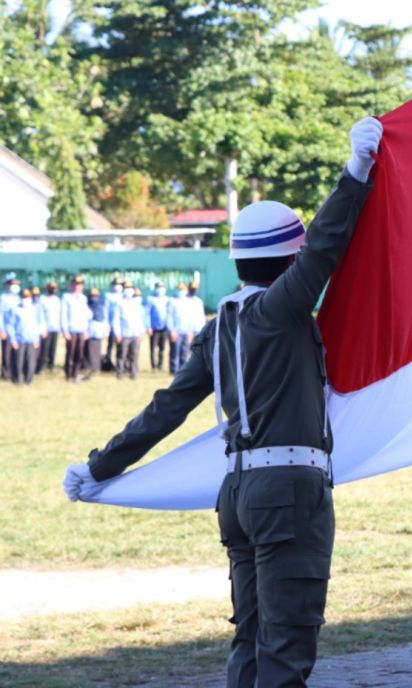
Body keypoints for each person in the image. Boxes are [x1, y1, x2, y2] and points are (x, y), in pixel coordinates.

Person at [63, 117, 383, 687]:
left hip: (237, 492)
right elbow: (327, 249)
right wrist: (355, 173)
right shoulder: (278, 311)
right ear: (289, 259)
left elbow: (166, 409)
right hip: (288, 492)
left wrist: (98, 466)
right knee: (286, 647)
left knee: (253, 642)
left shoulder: (220, 328)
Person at [6, 288, 42, 385]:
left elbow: (37, 324)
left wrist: (37, 338)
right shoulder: (15, 309)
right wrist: (13, 340)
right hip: (19, 340)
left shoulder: (34, 309)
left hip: (31, 339)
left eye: (28, 297)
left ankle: (28, 380)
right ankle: (17, 380)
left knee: (31, 361)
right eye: (24, 297)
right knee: (18, 361)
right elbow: (10, 325)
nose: (26, 299)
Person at [114, 285, 147, 380]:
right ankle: (120, 373)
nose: (129, 291)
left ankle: (133, 373)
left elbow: (140, 319)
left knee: (134, 354)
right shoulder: (119, 303)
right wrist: (118, 334)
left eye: (130, 289)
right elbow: (116, 320)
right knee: (121, 355)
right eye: (126, 289)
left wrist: (142, 331)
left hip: (135, 333)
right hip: (124, 333)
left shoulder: (136, 303)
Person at [61, 276, 91, 381]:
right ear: (71, 286)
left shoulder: (83, 298)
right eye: (75, 285)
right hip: (71, 329)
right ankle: (68, 374)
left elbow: (86, 315)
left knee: (80, 353)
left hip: (81, 328)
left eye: (79, 285)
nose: (77, 287)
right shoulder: (66, 297)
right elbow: (64, 315)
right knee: (70, 353)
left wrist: (87, 330)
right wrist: (65, 330)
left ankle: (76, 373)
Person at [37, 281, 62, 374]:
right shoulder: (43, 299)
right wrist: (42, 328)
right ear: (47, 288)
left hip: (55, 327)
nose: (53, 289)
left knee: (53, 348)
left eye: (55, 288)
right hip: (46, 328)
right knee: (44, 349)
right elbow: (41, 315)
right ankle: (42, 367)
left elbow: (59, 314)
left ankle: (51, 366)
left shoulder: (57, 300)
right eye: (51, 288)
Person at [84, 289, 109, 379]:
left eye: (95, 296)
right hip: (89, 330)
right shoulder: (86, 306)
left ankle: (96, 367)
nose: (93, 298)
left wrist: (105, 332)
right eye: (92, 296)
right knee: (89, 350)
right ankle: (89, 366)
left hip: (98, 330)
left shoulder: (101, 306)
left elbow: (104, 319)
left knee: (97, 350)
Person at [146, 282, 170, 371]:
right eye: (158, 287)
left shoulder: (167, 299)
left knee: (162, 347)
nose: (160, 289)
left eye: (162, 287)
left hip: (164, 327)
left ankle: (160, 365)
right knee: (153, 348)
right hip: (154, 328)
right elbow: (147, 314)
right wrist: (148, 327)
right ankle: (153, 366)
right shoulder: (151, 299)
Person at [1, 275, 20, 381]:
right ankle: (6, 373)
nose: (15, 286)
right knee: (6, 353)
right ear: (7, 285)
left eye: (16, 284)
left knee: (15, 352)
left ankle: (14, 371)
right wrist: (1, 329)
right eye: (13, 284)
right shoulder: (3, 298)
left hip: (17, 331)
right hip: (7, 330)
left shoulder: (18, 298)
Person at [103, 277, 125, 370]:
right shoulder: (108, 296)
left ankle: (121, 364)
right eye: (116, 284)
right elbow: (106, 311)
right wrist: (107, 324)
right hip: (111, 325)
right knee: (110, 346)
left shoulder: (124, 296)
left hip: (123, 326)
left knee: (121, 347)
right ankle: (108, 363)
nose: (118, 287)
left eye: (120, 285)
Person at [166, 283, 187, 374]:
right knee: (175, 352)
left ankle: (183, 370)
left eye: (182, 290)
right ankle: (174, 370)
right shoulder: (172, 301)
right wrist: (171, 331)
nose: (181, 292)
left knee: (184, 352)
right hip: (176, 331)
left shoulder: (187, 301)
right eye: (179, 290)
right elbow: (169, 317)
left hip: (186, 330)